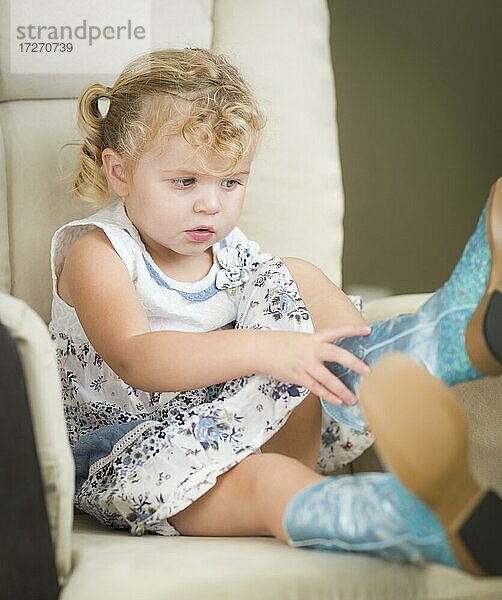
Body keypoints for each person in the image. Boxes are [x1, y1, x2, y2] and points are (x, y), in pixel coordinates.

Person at [49, 47, 500, 577]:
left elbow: (286, 319)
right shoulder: (98, 252)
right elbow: (137, 358)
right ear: (120, 173)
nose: (210, 205)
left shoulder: (233, 251)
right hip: (143, 458)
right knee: (269, 482)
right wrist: (270, 348)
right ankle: (426, 521)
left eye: (231, 182)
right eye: (185, 182)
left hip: (265, 419)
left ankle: (437, 344)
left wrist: (288, 345)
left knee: (293, 274)